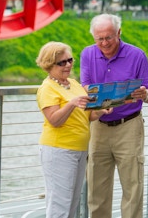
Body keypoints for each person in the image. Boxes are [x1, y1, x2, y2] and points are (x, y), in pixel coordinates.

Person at [80, 14, 148, 218]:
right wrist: (98, 98)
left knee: (133, 186)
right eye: (99, 39)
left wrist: (144, 94)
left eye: (109, 37)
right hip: (98, 126)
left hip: (129, 125)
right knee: (96, 188)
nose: (104, 43)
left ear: (119, 33)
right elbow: (84, 85)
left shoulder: (137, 55)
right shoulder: (87, 54)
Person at [36, 41, 112, 218]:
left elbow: (87, 116)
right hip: (59, 150)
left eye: (69, 60)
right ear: (49, 65)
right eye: (61, 63)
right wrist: (71, 104)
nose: (68, 65)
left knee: (72, 203)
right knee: (59, 205)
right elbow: (54, 120)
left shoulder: (73, 84)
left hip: (79, 150)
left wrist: (100, 111)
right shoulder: (47, 88)